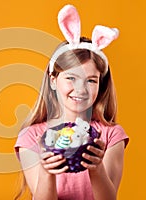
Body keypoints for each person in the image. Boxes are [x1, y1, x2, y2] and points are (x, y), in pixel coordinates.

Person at [14, 5, 129, 200]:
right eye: (71, 78)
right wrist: (46, 172)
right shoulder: (31, 137)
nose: (81, 89)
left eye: (91, 80)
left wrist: (96, 168)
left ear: (100, 85)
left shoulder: (110, 136)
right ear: (53, 80)